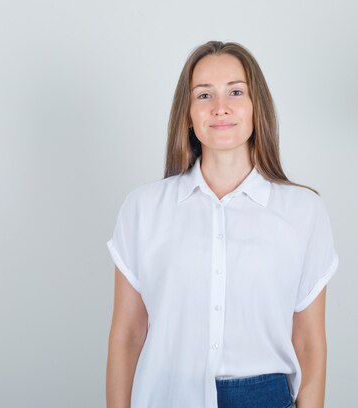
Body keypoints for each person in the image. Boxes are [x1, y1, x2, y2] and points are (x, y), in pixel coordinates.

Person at [105, 40, 339, 408]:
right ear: (187, 113)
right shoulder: (143, 208)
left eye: (235, 91)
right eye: (203, 95)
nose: (220, 108)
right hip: (167, 392)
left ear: (255, 106)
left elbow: (309, 342)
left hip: (264, 396)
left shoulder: (303, 211)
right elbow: (128, 335)